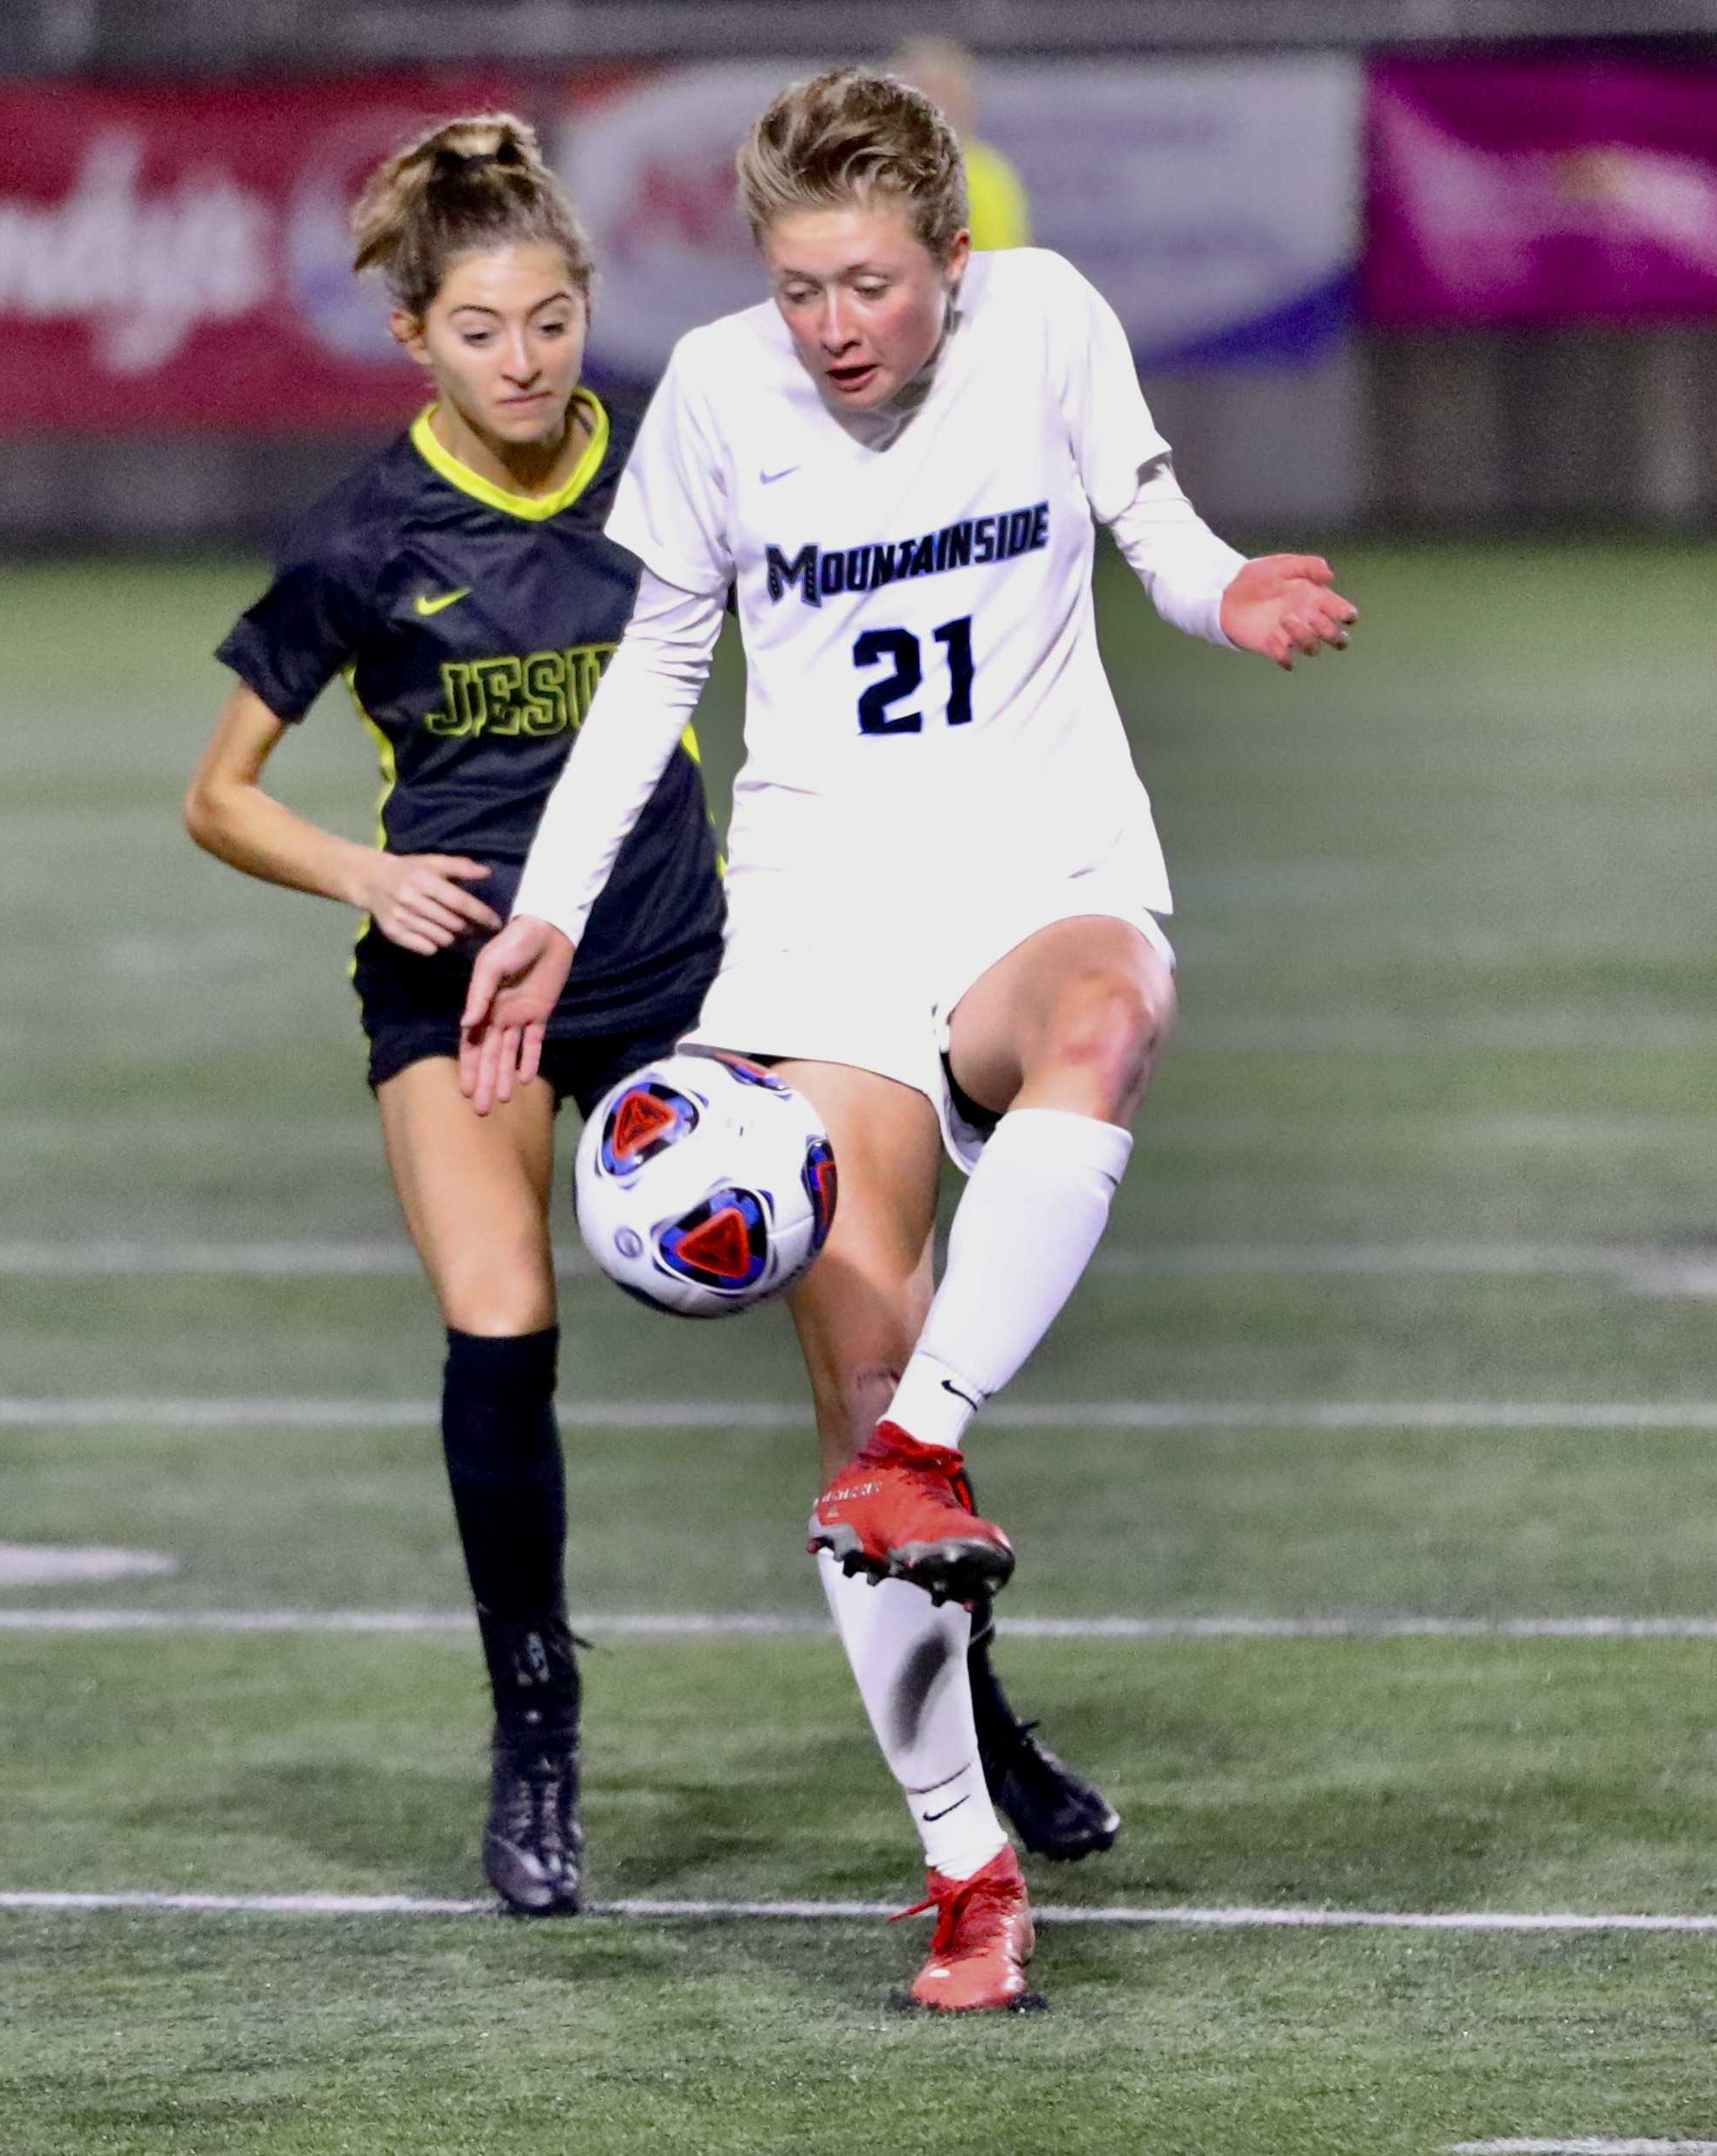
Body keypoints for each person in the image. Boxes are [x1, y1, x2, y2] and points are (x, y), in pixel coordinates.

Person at [459, 69, 1355, 2006]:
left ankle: (927, 1454)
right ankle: (964, 1865)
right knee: (853, 1402)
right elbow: (659, 671)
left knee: (1109, 1011)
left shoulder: (1046, 323)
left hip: (1038, 865)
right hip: (818, 942)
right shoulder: (713, 393)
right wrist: (545, 902)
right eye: (796, 287)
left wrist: (1230, 597)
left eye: (865, 282)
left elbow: (1152, 527)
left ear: (952, 256)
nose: (830, 325)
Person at [183, 109, 1111, 1920]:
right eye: (476, 331)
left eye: (546, 322)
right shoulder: (363, 537)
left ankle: (971, 1718)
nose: (519, 361)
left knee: (874, 1359)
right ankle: (536, 1729)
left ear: (584, 307)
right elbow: (217, 791)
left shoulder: (686, 449)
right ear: (411, 340)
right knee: (500, 1317)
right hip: (467, 995)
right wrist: (365, 878)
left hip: (703, 965)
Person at [895, 36, 1029, 251]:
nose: (933, 102)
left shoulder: (986, 176)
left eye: (944, 91)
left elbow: (1005, 262)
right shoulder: (874, 171)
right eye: (921, 89)